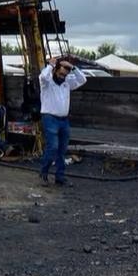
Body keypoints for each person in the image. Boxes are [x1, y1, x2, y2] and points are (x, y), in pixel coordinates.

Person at [38, 56, 86, 187]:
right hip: (50, 117)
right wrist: (50, 65)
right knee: (53, 147)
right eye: (60, 73)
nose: (62, 76)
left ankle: (59, 176)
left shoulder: (66, 83)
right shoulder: (47, 83)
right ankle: (44, 171)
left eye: (64, 74)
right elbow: (42, 77)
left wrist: (73, 68)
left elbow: (82, 79)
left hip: (63, 119)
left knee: (62, 149)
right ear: (55, 71)